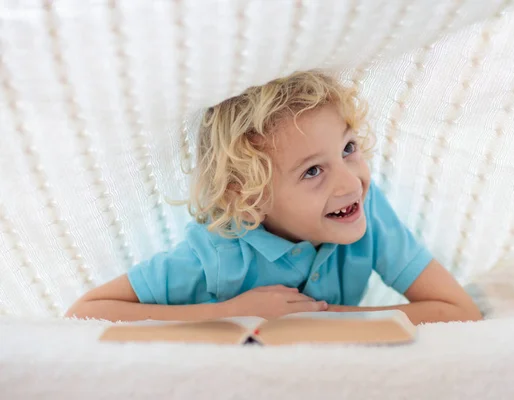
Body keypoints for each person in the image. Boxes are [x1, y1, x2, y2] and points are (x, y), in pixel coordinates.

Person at [66, 70, 482, 324]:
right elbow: (85, 312)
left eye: (348, 149)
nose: (350, 183)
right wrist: (228, 313)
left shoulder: (366, 211)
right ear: (249, 198)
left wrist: (322, 320)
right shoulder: (217, 252)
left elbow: (458, 311)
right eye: (313, 171)